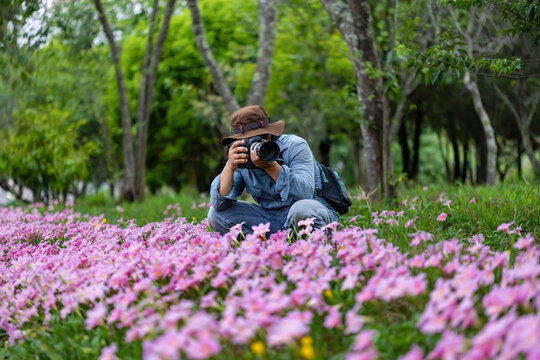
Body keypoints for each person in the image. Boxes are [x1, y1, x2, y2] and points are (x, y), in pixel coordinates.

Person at [208, 105, 339, 236]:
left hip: (310, 213)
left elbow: (304, 193)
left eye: (259, 137)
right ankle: (267, 249)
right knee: (215, 215)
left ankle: (316, 245)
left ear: (268, 133)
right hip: (272, 219)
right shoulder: (243, 155)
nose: (255, 144)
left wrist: (271, 166)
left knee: (302, 210)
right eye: (248, 139)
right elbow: (220, 205)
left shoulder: (295, 146)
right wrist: (230, 167)